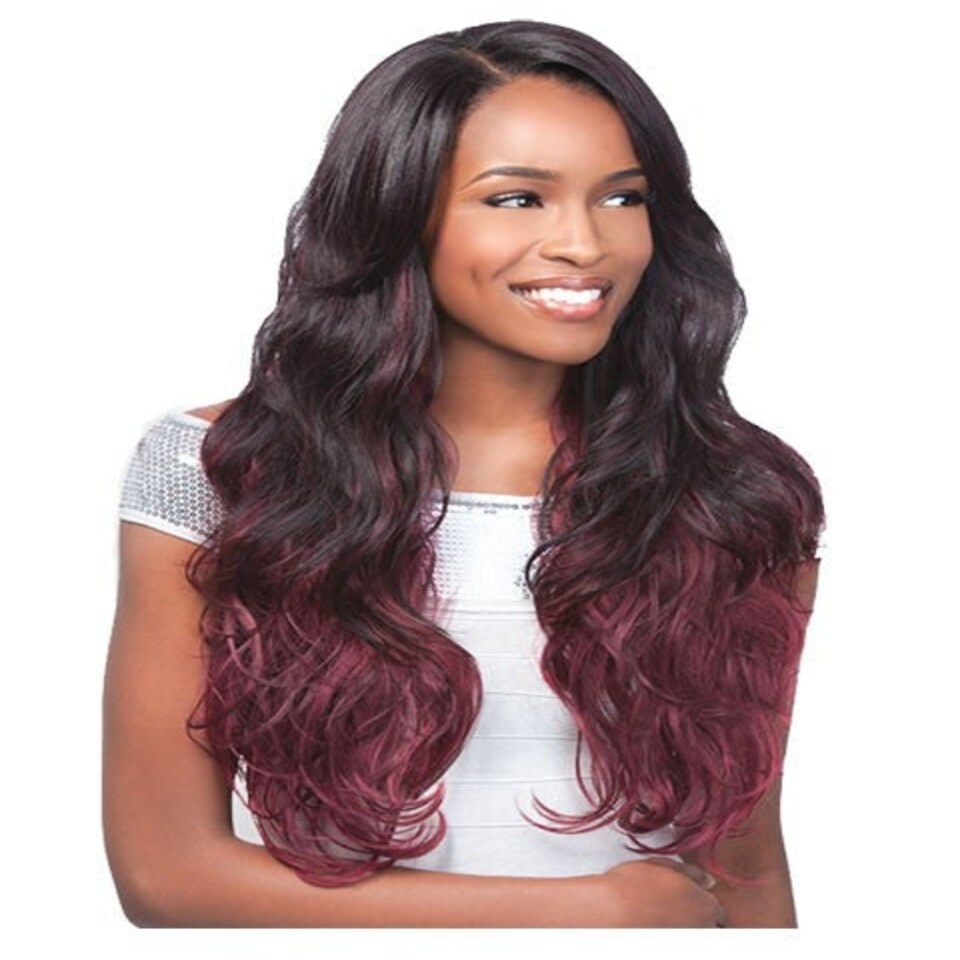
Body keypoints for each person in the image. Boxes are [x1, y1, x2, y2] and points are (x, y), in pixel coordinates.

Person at [103, 19, 824, 928]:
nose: (585, 244)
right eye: (518, 199)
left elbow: (745, 858)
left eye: (622, 197)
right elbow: (165, 874)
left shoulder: (732, 493)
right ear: (401, 214)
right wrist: (582, 914)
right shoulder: (222, 471)